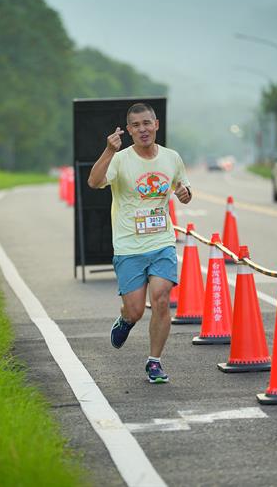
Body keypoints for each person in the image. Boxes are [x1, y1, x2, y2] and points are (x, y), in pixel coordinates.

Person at [88, 102, 192, 383]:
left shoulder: (171, 157)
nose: (143, 129)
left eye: (147, 123)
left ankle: (154, 362)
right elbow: (94, 182)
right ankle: (125, 320)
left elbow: (183, 187)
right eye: (136, 125)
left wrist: (184, 194)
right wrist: (109, 150)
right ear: (129, 130)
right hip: (129, 246)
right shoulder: (120, 159)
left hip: (161, 242)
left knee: (160, 300)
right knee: (135, 310)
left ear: (156, 124)